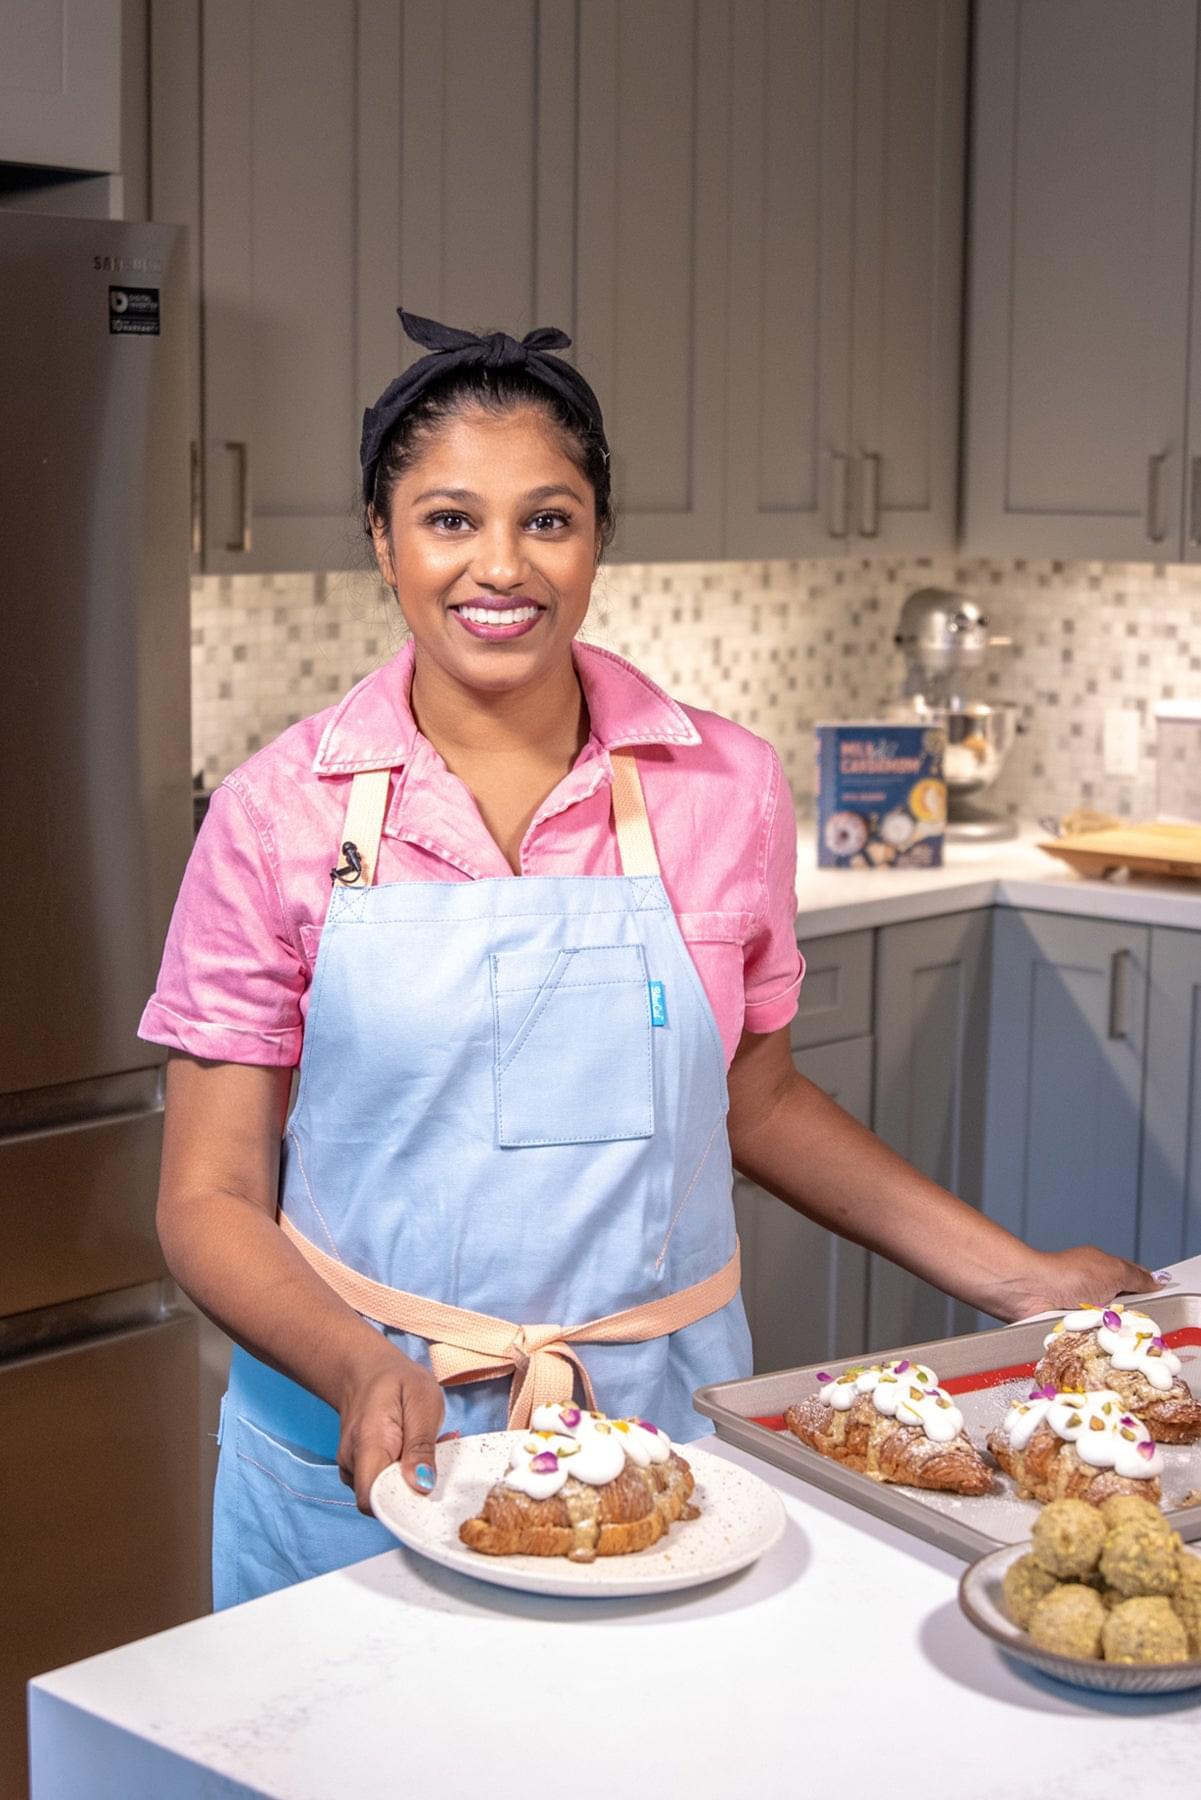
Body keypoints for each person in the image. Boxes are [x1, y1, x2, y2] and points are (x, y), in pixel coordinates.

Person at [143, 310, 1153, 1608]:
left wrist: (1025, 1278)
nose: (497, 565)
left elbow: (761, 1101)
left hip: (653, 1448)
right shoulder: (276, 811)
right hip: (374, 1452)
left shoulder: (719, 787)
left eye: (546, 519)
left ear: (598, 539)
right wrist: (354, 1366)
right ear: (380, 540)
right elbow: (208, 1194)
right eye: (449, 518)